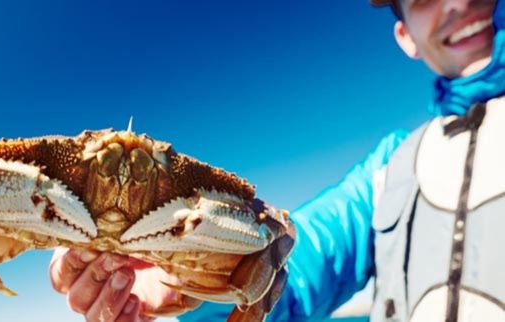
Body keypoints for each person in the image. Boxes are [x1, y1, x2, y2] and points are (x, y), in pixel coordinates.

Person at [49, 0, 505, 320]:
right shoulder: (391, 170)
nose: (457, 3)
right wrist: (190, 277)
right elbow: (293, 267)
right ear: (405, 36)